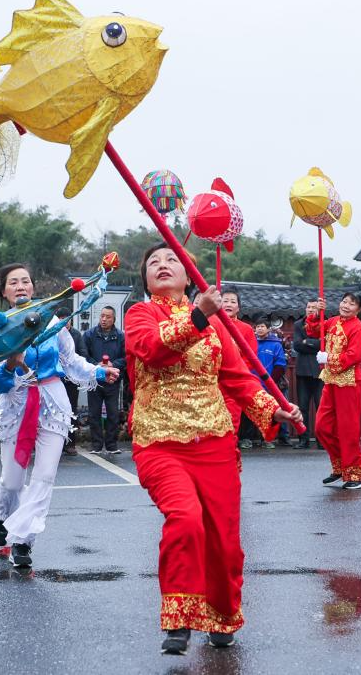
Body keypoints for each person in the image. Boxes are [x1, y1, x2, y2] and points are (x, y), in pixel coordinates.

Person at [125, 243, 302, 654]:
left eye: (172, 260)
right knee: (185, 519)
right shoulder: (140, 315)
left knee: (224, 540)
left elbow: (238, 378)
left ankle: (222, 616)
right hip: (159, 442)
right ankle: (179, 618)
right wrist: (200, 315)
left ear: (189, 277)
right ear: (146, 279)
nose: (163, 265)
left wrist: (274, 411)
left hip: (215, 442)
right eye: (154, 262)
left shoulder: (217, 324)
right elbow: (154, 350)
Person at [0, 263, 119, 568]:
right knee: (13, 481)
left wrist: (98, 370)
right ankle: (5, 515)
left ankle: (23, 542)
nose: (20, 286)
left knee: (44, 477)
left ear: (33, 287)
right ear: (4, 291)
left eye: (25, 281)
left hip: (53, 403)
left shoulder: (53, 321)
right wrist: (9, 366)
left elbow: (71, 361)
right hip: (17, 402)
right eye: (13, 282)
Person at [307, 293, 361, 489]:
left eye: (352, 304)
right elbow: (313, 330)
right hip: (331, 380)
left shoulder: (358, 328)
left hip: (349, 383)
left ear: (358, 310)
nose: (346, 305)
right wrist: (317, 313)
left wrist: (329, 358)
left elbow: (354, 355)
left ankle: (356, 474)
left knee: (347, 429)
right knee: (321, 427)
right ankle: (341, 466)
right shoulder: (333, 321)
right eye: (344, 301)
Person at [219, 287, 260, 450]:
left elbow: (251, 358)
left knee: (231, 420)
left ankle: (227, 452)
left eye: (232, 301)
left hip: (232, 382)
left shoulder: (246, 329)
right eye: (225, 300)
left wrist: (234, 369)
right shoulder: (209, 324)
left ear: (238, 307)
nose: (228, 304)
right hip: (209, 381)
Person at [82, 305, 125, 454]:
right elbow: (83, 355)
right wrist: (96, 365)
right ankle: (96, 445)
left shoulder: (120, 336)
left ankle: (112, 446)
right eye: (102, 316)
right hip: (95, 379)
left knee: (113, 413)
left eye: (108, 317)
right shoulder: (89, 335)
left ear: (114, 319)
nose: (104, 319)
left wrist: (114, 364)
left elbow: (126, 357)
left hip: (112, 380)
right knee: (94, 413)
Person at [292, 301, 324, 449]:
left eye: (314, 308)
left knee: (321, 407)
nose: (310, 310)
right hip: (303, 370)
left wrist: (308, 342)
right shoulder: (299, 324)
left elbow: (324, 344)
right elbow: (297, 345)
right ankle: (303, 439)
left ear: (319, 310)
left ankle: (322, 440)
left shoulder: (324, 323)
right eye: (308, 307)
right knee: (303, 407)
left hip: (320, 371)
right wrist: (315, 344)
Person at [253, 317, 288, 449]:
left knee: (270, 411)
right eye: (257, 326)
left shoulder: (276, 344)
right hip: (253, 382)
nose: (260, 329)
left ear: (268, 329)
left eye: (262, 326)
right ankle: (248, 438)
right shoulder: (251, 342)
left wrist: (270, 382)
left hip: (269, 383)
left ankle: (269, 438)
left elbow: (280, 364)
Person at [57, 306, 87, 457]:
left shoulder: (76, 335)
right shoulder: (52, 334)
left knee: (71, 412)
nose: (65, 323)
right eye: (61, 320)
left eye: (67, 320)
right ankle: (57, 443)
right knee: (55, 411)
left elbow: (83, 354)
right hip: (56, 379)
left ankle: (70, 444)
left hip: (71, 381)